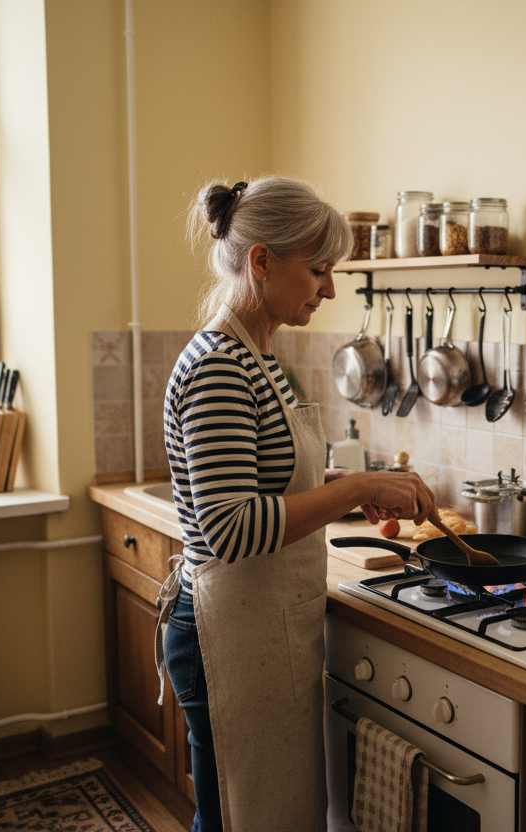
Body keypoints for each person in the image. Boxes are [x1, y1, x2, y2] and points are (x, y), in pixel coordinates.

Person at [156, 176, 434, 832]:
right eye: (318, 270)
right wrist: (358, 487)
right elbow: (231, 527)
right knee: (238, 818)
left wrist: (345, 484)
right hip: (228, 634)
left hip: (261, 627)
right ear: (262, 263)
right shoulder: (222, 365)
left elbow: (267, 481)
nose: (329, 289)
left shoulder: (258, 358)